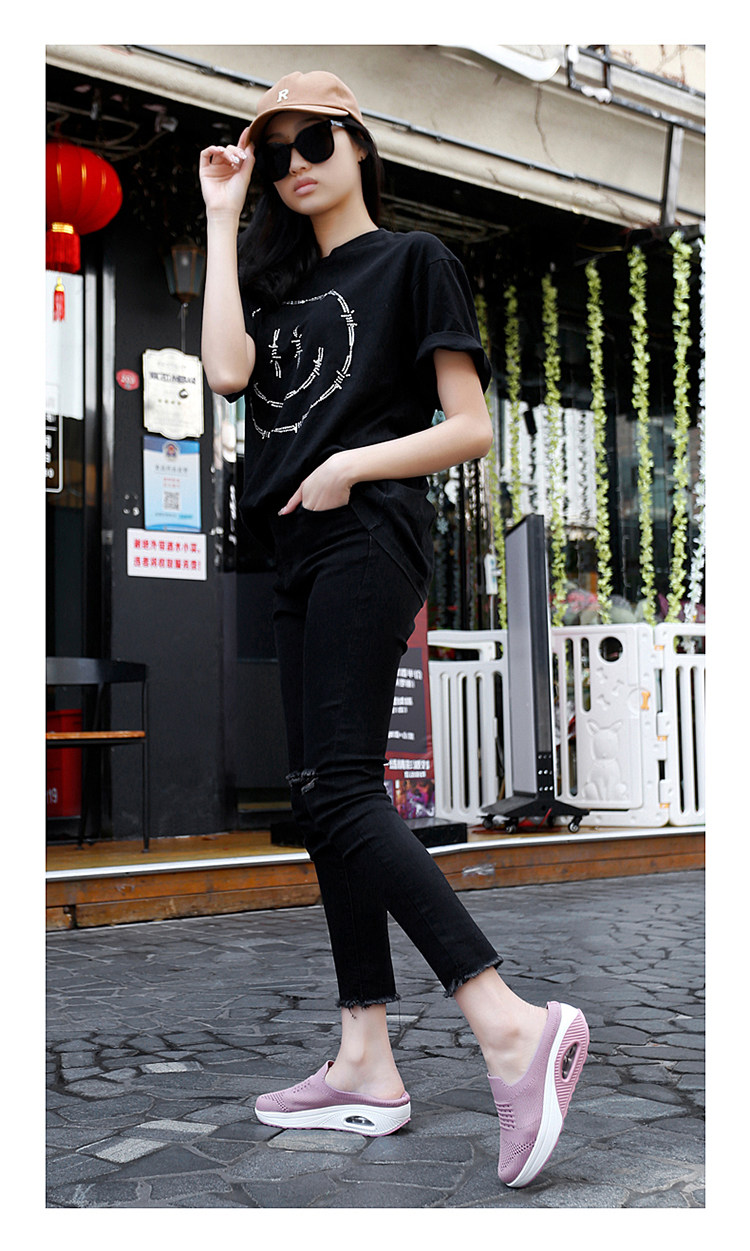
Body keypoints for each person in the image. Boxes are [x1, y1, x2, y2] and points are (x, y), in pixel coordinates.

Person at [199, 69, 589, 1189]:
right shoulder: (278, 283)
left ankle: (509, 1022)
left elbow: (469, 427)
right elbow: (226, 372)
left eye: (313, 140)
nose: (293, 164)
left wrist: (350, 466)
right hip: (295, 552)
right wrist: (224, 217)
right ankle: (365, 1058)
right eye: (276, 152)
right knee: (323, 799)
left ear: (360, 143)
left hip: (367, 533)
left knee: (340, 790)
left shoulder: (415, 259)